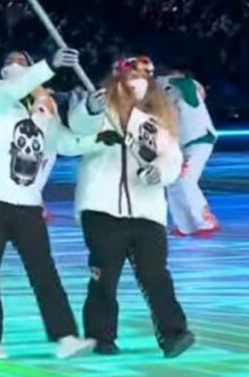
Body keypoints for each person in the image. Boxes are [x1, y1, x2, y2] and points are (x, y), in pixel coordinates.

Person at [0, 48, 96, 361]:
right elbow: (14, 88)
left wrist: (95, 119)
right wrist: (47, 67)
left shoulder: (44, 110)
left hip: (27, 204)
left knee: (44, 271)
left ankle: (65, 335)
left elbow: (66, 144)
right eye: (10, 62)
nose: (16, 66)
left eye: (22, 62)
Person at [69, 56, 195, 358]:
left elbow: (172, 159)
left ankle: (173, 334)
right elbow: (76, 128)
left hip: (146, 211)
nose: (135, 81)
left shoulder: (158, 120)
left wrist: (159, 173)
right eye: (130, 75)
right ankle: (101, 337)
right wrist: (89, 110)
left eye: (142, 75)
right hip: (101, 208)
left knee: (155, 274)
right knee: (104, 276)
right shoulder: (103, 110)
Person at [161, 68, 219, 236]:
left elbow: (185, 83)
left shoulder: (189, 87)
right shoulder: (167, 95)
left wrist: (163, 79)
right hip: (181, 145)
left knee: (187, 180)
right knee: (173, 183)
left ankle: (205, 221)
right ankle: (184, 225)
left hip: (199, 140)